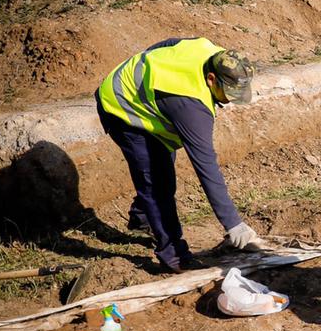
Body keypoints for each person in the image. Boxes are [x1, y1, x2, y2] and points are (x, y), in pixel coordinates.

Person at [95, 37, 266, 272]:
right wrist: (233, 224)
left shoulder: (211, 52)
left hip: (148, 101)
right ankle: (174, 255)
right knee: (157, 182)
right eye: (228, 93)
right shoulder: (191, 106)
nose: (230, 100)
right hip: (121, 105)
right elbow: (205, 165)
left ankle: (143, 218)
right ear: (211, 79)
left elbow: (163, 46)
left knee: (162, 163)